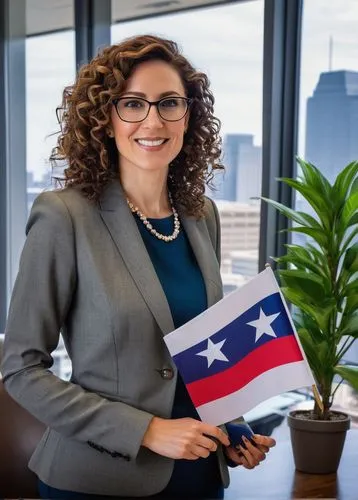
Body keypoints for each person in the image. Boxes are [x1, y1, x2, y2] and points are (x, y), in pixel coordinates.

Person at [1, 35, 275, 499]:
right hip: (98, 479)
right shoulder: (63, 215)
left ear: (188, 116)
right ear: (106, 118)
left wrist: (233, 427)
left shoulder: (201, 215)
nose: (153, 120)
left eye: (169, 103)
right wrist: (147, 430)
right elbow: (22, 369)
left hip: (200, 474)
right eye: (132, 104)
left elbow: (197, 351)